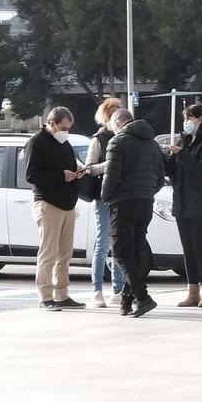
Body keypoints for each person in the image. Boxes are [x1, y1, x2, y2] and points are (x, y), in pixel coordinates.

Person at [102, 105, 162, 318]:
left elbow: (111, 175)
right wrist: (147, 191)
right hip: (145, 202)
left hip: (122, 202)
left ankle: (142, 297)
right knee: (136, 252)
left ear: (118, 123)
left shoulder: (117, 142)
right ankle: (127, 301)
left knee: (120, 252)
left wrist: (106, 196)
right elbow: (160, 177)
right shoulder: (152, 143)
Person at [24, 105, 86, 310]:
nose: (66, 132)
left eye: (68, 128)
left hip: (67, 204)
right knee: (48, 252)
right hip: (48, 203)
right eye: (64, 127)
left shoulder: (64, 144)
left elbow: (67, 167)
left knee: (65, 253)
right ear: (51, 123)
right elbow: (31, 175)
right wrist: (62, 175)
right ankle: (45, 296)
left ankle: (61, 294)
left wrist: (77, 172)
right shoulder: (36, 142)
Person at [165, 102, 202, 306]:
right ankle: (192, 291)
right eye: (185, 118)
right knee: (187, 249)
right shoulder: (185, 140)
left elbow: (201, 172)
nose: (186, 122)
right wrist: (169, 159)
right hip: (182, 203)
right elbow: (176, 172)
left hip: (200, 203)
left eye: (190, 118)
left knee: (199, 247)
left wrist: (182, 154)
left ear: (200, 119)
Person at [84, 95, 124, 306]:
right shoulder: (98, 139)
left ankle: (118, 289)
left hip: (121, 195)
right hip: (103, 196)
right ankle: (97, 290)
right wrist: (111, 164)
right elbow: (89, 168)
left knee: (118, 243)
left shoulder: (125, 137)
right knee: (103, 241)